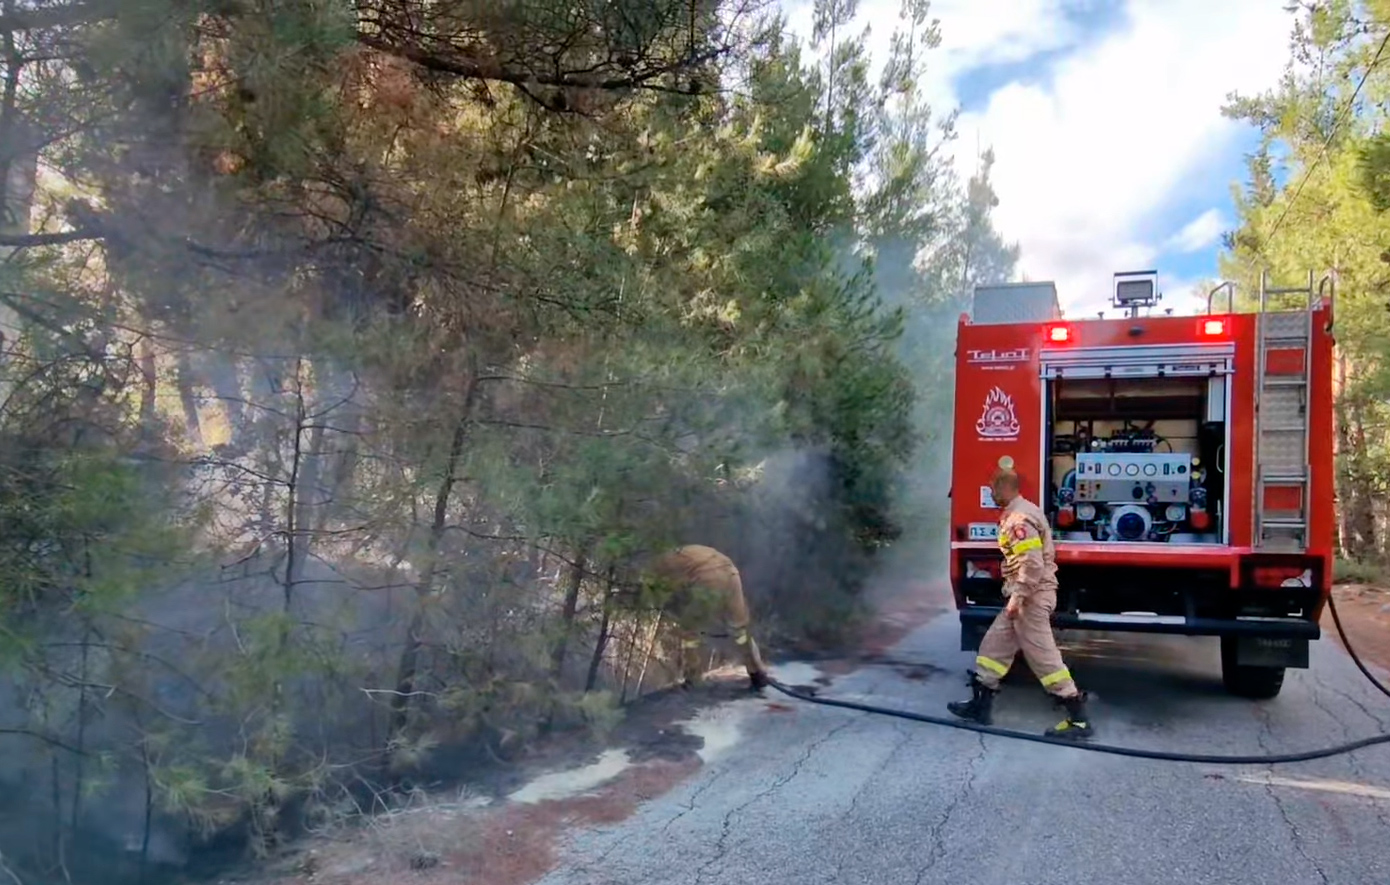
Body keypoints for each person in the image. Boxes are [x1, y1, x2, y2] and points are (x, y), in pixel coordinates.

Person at [947, 459, 1095, 739]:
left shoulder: (1019, 520)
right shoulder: (1020, 512)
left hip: (1030, 598)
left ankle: (1078, 719)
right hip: (1023, 597)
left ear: (1005, 487)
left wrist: (1018, 598)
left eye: (992, 487)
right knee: (993, 648)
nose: (990, 491)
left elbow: (1032, 564)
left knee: (1044, 658)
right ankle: (981, 706)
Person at [646, 544, 772, 692]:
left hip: (710, 576)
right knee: (739, 629)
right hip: (731, 572)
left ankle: (692, 677)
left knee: (689, 629)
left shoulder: (661, 564)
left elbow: (664, 591)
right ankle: (757, 673)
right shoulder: (687, 553)